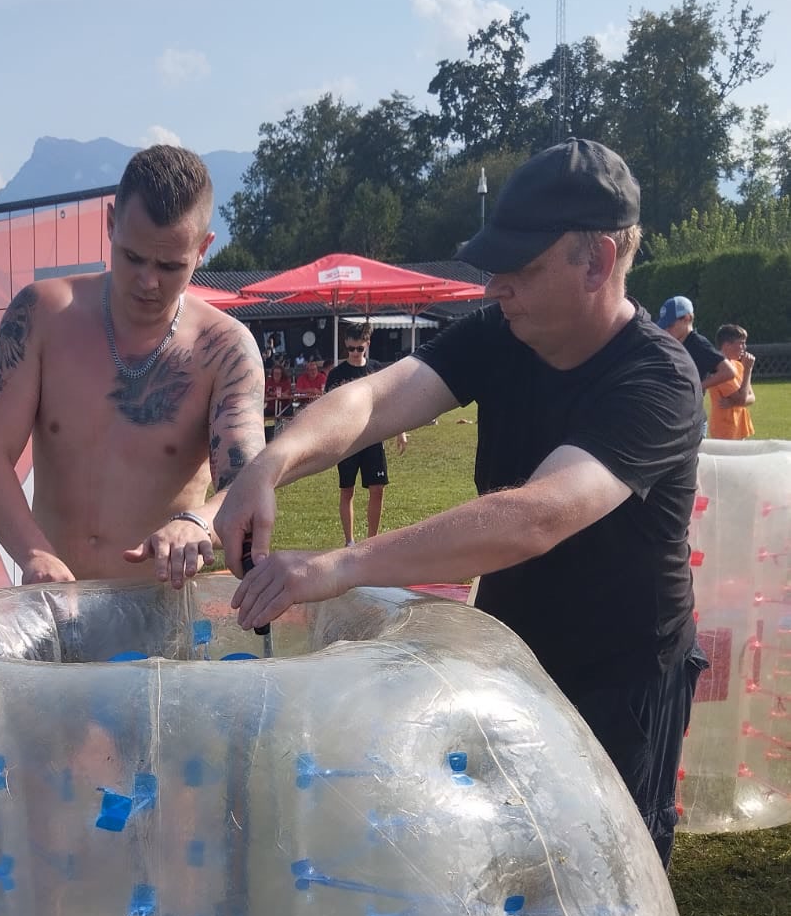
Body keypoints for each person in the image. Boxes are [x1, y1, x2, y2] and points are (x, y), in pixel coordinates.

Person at [216, 138, 708, 868]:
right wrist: (272, 461)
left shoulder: (659, 380)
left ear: (597, 262)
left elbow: (536, 515)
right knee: (506, 861)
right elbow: (377, 398)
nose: (493, 288)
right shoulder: (504, 333)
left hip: (621, 680)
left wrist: (338, 565)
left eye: (521, 269)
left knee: (606, 876)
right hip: (510, 655)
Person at [0, 145, 266, 590]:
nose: (148, 281)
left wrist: (197, 521)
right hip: (54, 605)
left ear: (203, 249)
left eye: (169, 266)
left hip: (157, 622)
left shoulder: (224, 348)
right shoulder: (43, 314)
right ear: (109, 224)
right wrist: (34, 553)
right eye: (132, 257)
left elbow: (248, 484)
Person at [323, 324, 408, 545]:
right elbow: (327, 410)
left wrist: (400, 431)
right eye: (350, 348)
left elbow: (389, 402)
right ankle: (349, 541)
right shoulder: (336, 375)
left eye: (359, 348)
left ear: (367, 345)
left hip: (372, 436)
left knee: (377, 489)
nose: (354, 353)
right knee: (347, 489)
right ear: (345, 346)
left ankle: (372, 541)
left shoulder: (376, 369)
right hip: (347, 440)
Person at [656, 296, 734, 397]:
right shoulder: (674, 342)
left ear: (687, 318)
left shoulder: (698, 344)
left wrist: (698, 387)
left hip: (689, 407)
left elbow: (728, 371)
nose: (666, 330)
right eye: (664, 326)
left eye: (670, 325)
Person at [707, 324, 756, 439]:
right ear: (727, 345)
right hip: (725, 429)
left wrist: (734, 402)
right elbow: (743, 399)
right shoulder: (720, 369)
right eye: (741, 343)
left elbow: (752, 397)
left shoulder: (738, 365)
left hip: (740, 427)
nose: (744, 347)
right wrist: (748, 370)